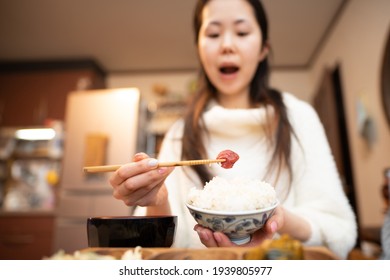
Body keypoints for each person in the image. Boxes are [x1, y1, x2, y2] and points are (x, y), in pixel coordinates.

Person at [109, 0, 357, 259]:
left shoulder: (299, 117)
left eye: (242, 32)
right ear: (199, 49)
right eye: (213, 34)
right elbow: (151, 249)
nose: (227, 45)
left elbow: (340, 232)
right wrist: (156, 201)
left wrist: (278, 221)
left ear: (263, 49)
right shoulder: (180, 133)